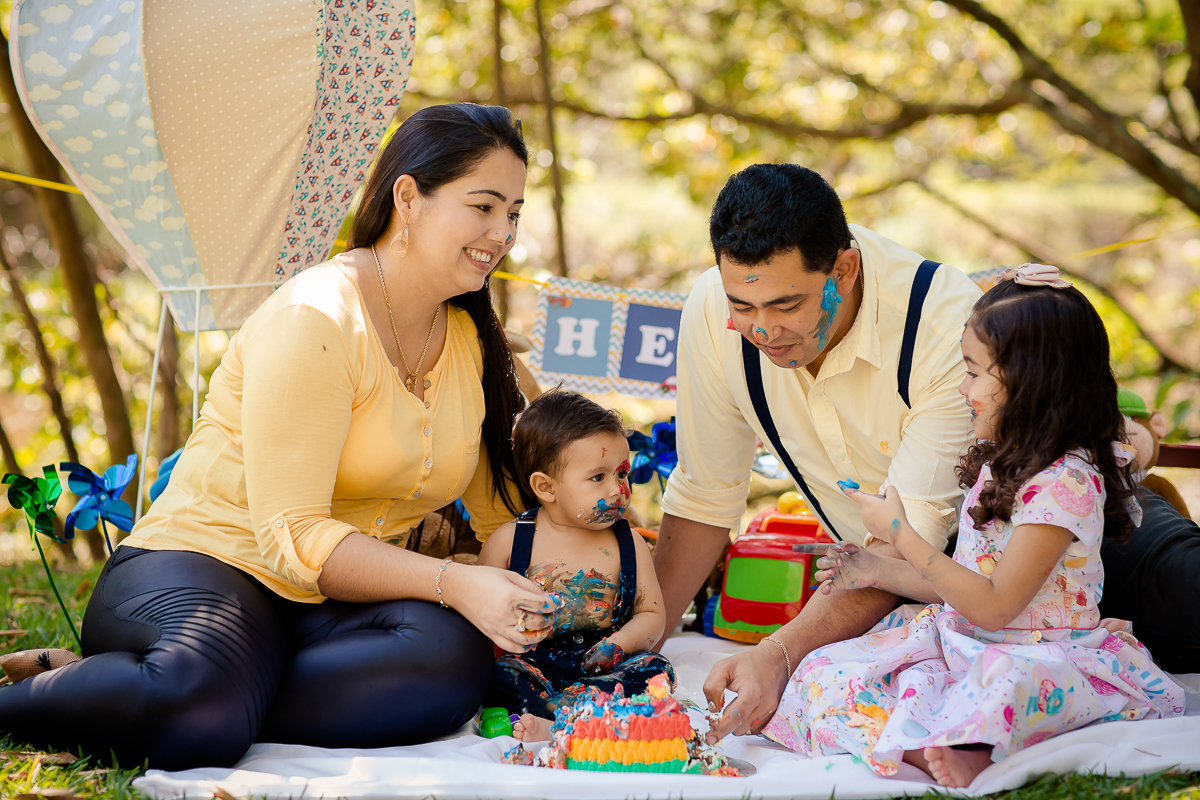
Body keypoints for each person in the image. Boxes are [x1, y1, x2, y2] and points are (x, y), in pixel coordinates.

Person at [0, 104, 560, 770]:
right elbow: (295, 538)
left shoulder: (473, 342)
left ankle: (164, 689)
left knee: (449, 660)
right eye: (484, 207)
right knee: (198, 711)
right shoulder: (316, 315)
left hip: (325, 605)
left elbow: (506, 518)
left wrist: (584, 559)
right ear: (408, 197)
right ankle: (85, 691)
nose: (503, 234)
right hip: (206, 568)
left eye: (515, 213)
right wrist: (454, 581)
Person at [760, 265, 1185, 788]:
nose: (963, 388)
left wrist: (901, 535)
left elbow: (995, 604)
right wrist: (876, 571)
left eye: (974, 371)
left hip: (1034, 652)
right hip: (967, 637)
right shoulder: (1001, 463)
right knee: (828, 672)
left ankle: (959, 748)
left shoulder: (1065, 484)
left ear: (1033, 380)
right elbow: (962, 585)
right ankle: (925, 748)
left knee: (1006, 685)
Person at [654, 163, 984, 740]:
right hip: (885, 596)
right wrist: (641, 636)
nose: (763, 331)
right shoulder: (712, 309)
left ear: (845, 269)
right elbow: (705, 493)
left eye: (787, 306)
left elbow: (906, 541)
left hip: (1043, 556)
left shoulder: (942, 322)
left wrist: (779, 654)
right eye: (744, 308)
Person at [480, 390, 673, 742]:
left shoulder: (629, 543)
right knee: (499, 673)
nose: (619, 489)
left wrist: (618, 645)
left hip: (606, 666)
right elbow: (482, 615)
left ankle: (561, 718)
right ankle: (581, 718)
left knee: (657, 670)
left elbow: (652, 615)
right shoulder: (509, 542)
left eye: (621, 473)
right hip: (535, 664)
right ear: (546, 488)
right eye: (598, 477)